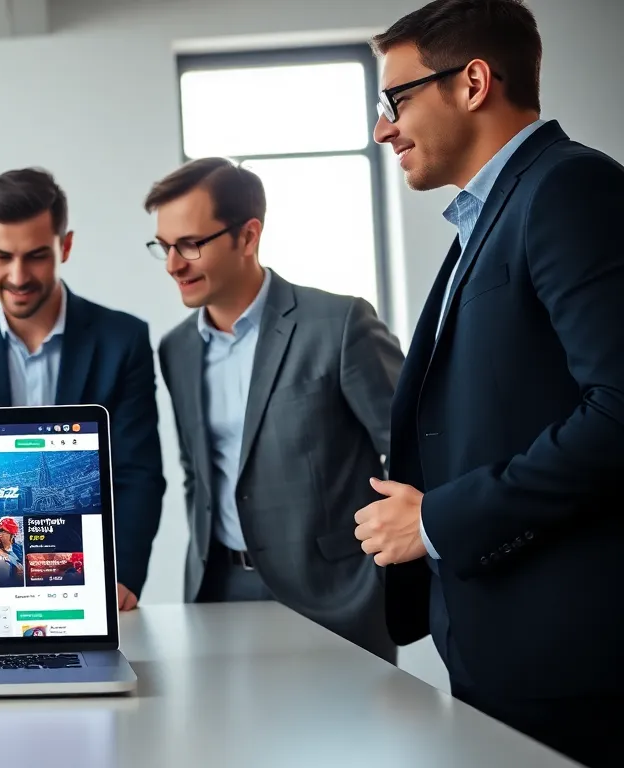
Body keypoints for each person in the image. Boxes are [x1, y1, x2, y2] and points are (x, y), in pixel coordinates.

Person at [358, 2, 624, 764]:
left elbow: (619, 412)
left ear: (473, 82)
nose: (383, 129)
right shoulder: (493, 214)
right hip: (505, 645)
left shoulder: (570, 191)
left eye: (396, 99)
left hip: (572, 664)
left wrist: (439, 520)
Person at [147, 158, 403, 663]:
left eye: (191, 244)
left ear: (248, 236)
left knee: (344, 742)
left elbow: (410, 449)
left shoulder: (339, 324)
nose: (174, 264)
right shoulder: (175, 349)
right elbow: (198, 475)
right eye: (164, 246)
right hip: (217, 594)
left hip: (334, 596)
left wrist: (378, 568)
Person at [0, 168, 166, 608]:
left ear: (65, 246)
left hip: (83, 570)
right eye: (0, 256)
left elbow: (137, 473)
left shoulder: (122, 340)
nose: (17, 275)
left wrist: (121, 577)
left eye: (36, 255)